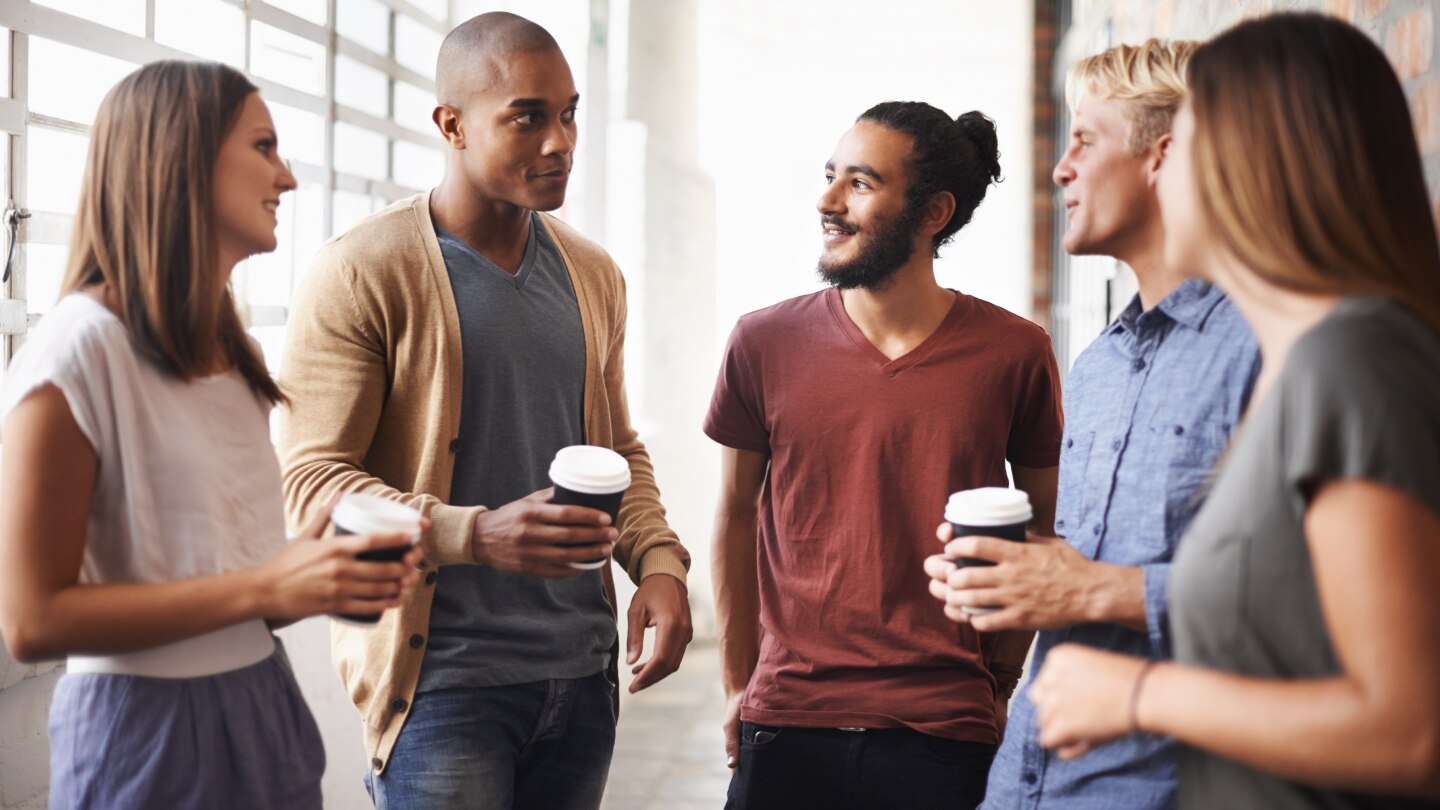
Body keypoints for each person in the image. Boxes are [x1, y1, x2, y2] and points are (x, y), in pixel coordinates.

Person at [277, 12, 692, 809]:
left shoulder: (593, 275)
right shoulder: (362, 272)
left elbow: (617, 450)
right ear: (452, 125)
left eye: (569, 113)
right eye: (527, 117)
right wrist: (473, 532)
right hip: (442, 687)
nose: (560, 141)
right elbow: (314, 487)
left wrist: (659, 563)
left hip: (580, 676)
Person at [1028, 13, 1440, 808]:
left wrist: (1137, 694)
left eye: (1186, 145)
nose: (1164, 169)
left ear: (1254, 163)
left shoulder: (1351, 361)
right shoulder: (1318, 362)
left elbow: (1411, 731)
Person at [0, 61, 422, 809]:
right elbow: (31, 622)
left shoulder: (237, 358)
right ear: (181, 158)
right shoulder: (75, 355)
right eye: (263, 146)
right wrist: (269, 582)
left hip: (264, 707)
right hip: (143, 733)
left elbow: (232, 593)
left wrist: (311, 573)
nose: (286, 178)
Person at [923, 40, 1259, 809]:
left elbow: (1312, 603)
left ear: (1162, 159)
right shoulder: (1099, 365)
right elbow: (1084, 571)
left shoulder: (1267, 350)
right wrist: (1020, 578)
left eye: (1084, 139)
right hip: (1028, 780)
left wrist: (1092, 588)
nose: (1059, 169)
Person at [705, 101, 1064, 810]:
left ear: (933, 213)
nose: (828, 202)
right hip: (786, 721)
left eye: (860, 184)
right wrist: (738, 683)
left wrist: (999, 681)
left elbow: (1043, 529)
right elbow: (735, 512)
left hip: (945, 731)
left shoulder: (1015, 353)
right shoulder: (762, 342)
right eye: (830, 176)